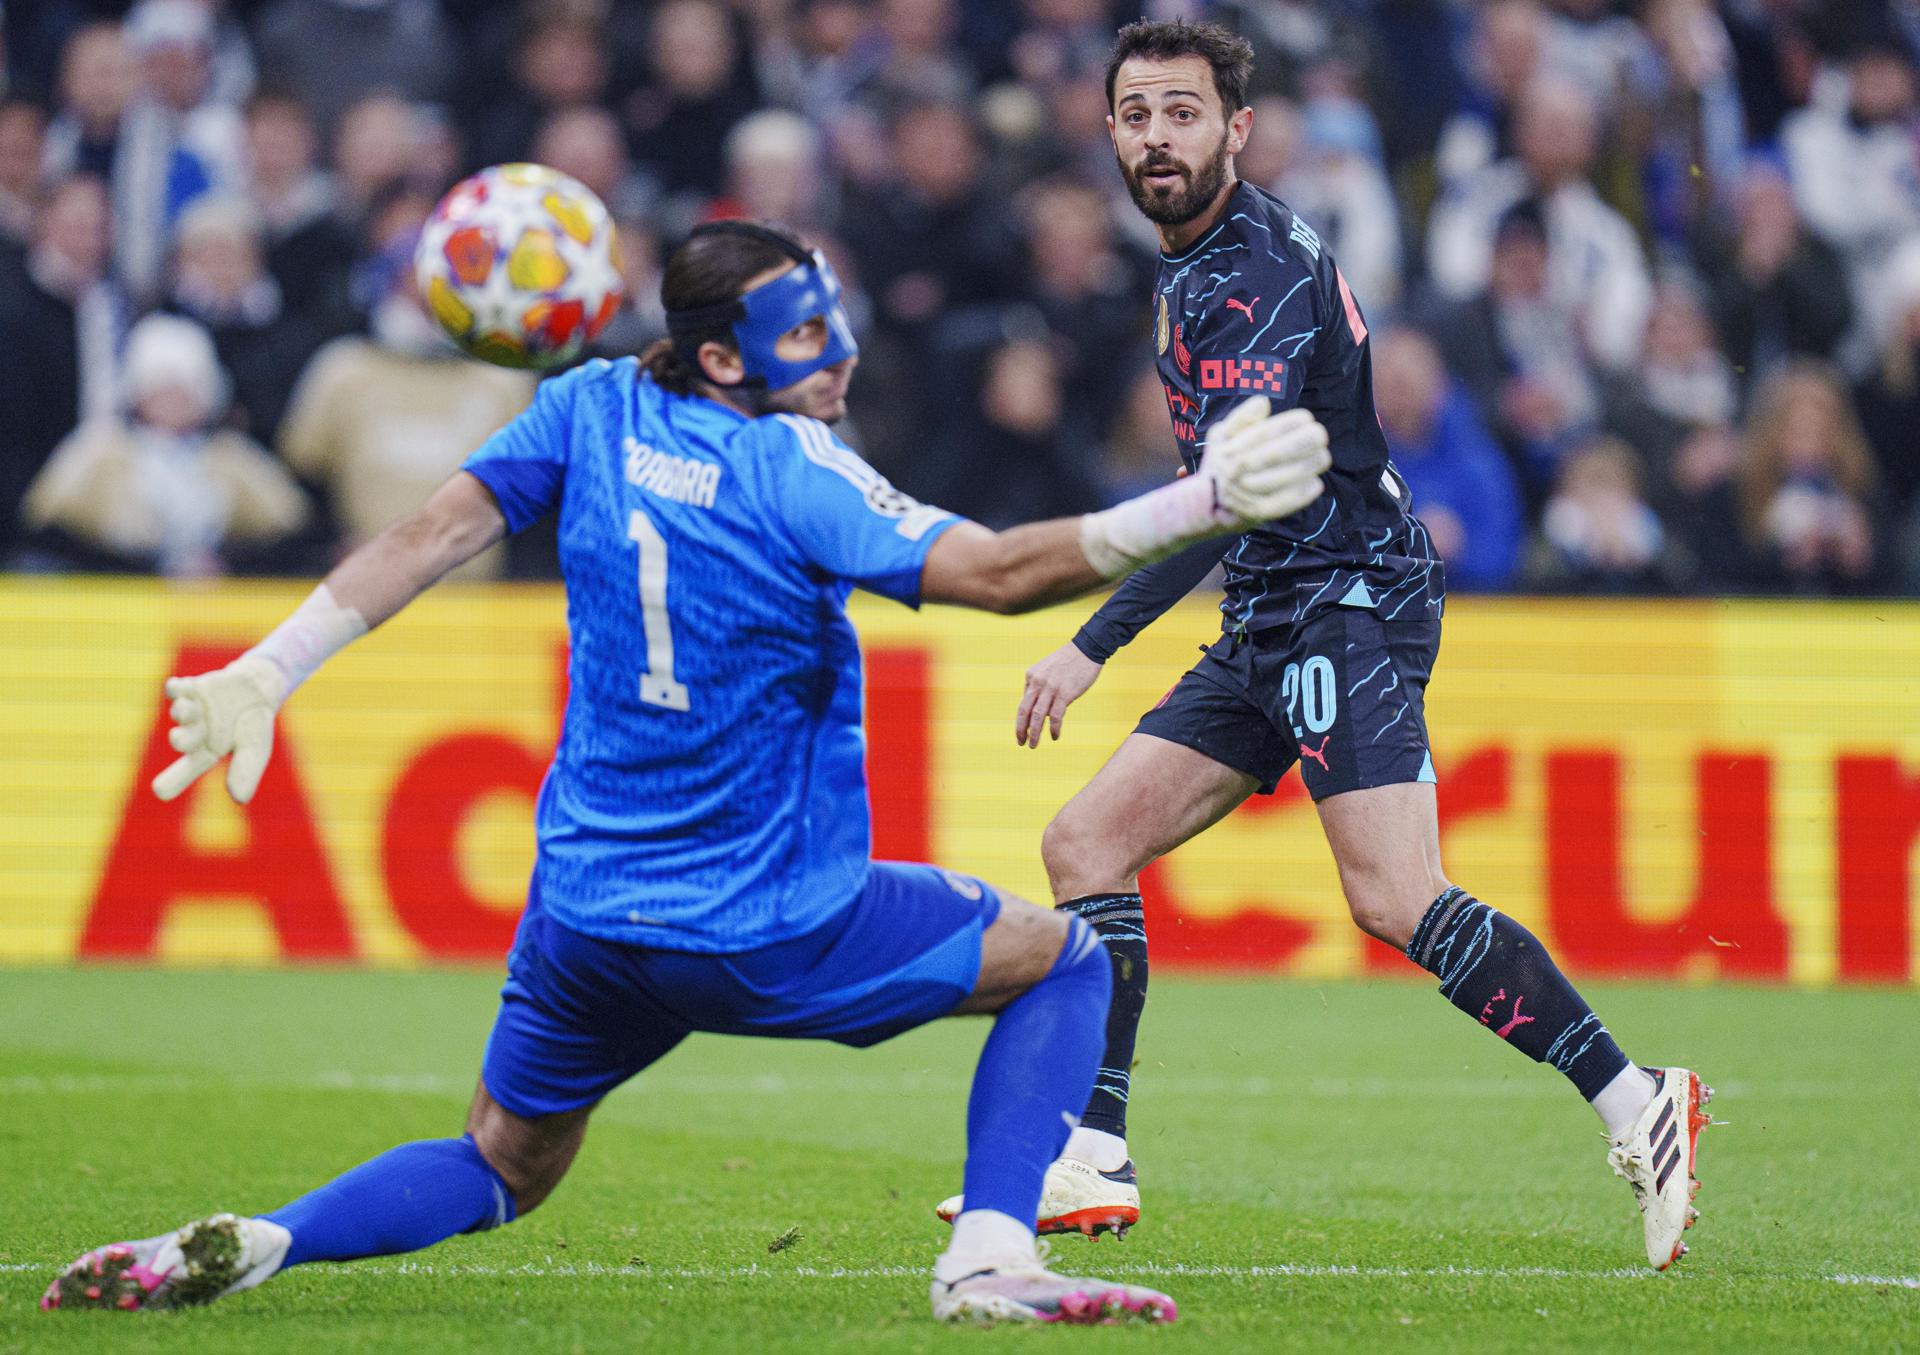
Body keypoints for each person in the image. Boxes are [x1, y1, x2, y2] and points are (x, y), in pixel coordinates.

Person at [41, 219, 1333, 1325]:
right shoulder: (788, 467)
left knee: (503, 1157)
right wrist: (1196, 503)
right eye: (803, 334)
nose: (837, 350)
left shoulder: (586, 406)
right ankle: (991, 1251)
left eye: (833, 317)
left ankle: (262, 1239)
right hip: (766, 918)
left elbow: (433, 530)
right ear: (722, 358)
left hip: (588, 919)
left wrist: (268, 667)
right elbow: (994, 577)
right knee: (1062, 956)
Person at [932, 18, 1711, 1274]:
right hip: (1275, 600)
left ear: (1235, 129)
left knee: (1395, 895)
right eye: (1135, 115)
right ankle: (1100, 1146)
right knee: (1084, 842)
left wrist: (1087, 643)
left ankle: (1639, 1103)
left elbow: (1221, 497)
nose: (1156, 138)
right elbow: (1229, 507)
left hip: (1345, 595)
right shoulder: (1200, 263)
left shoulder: (1249, 277)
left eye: (1183, 113)